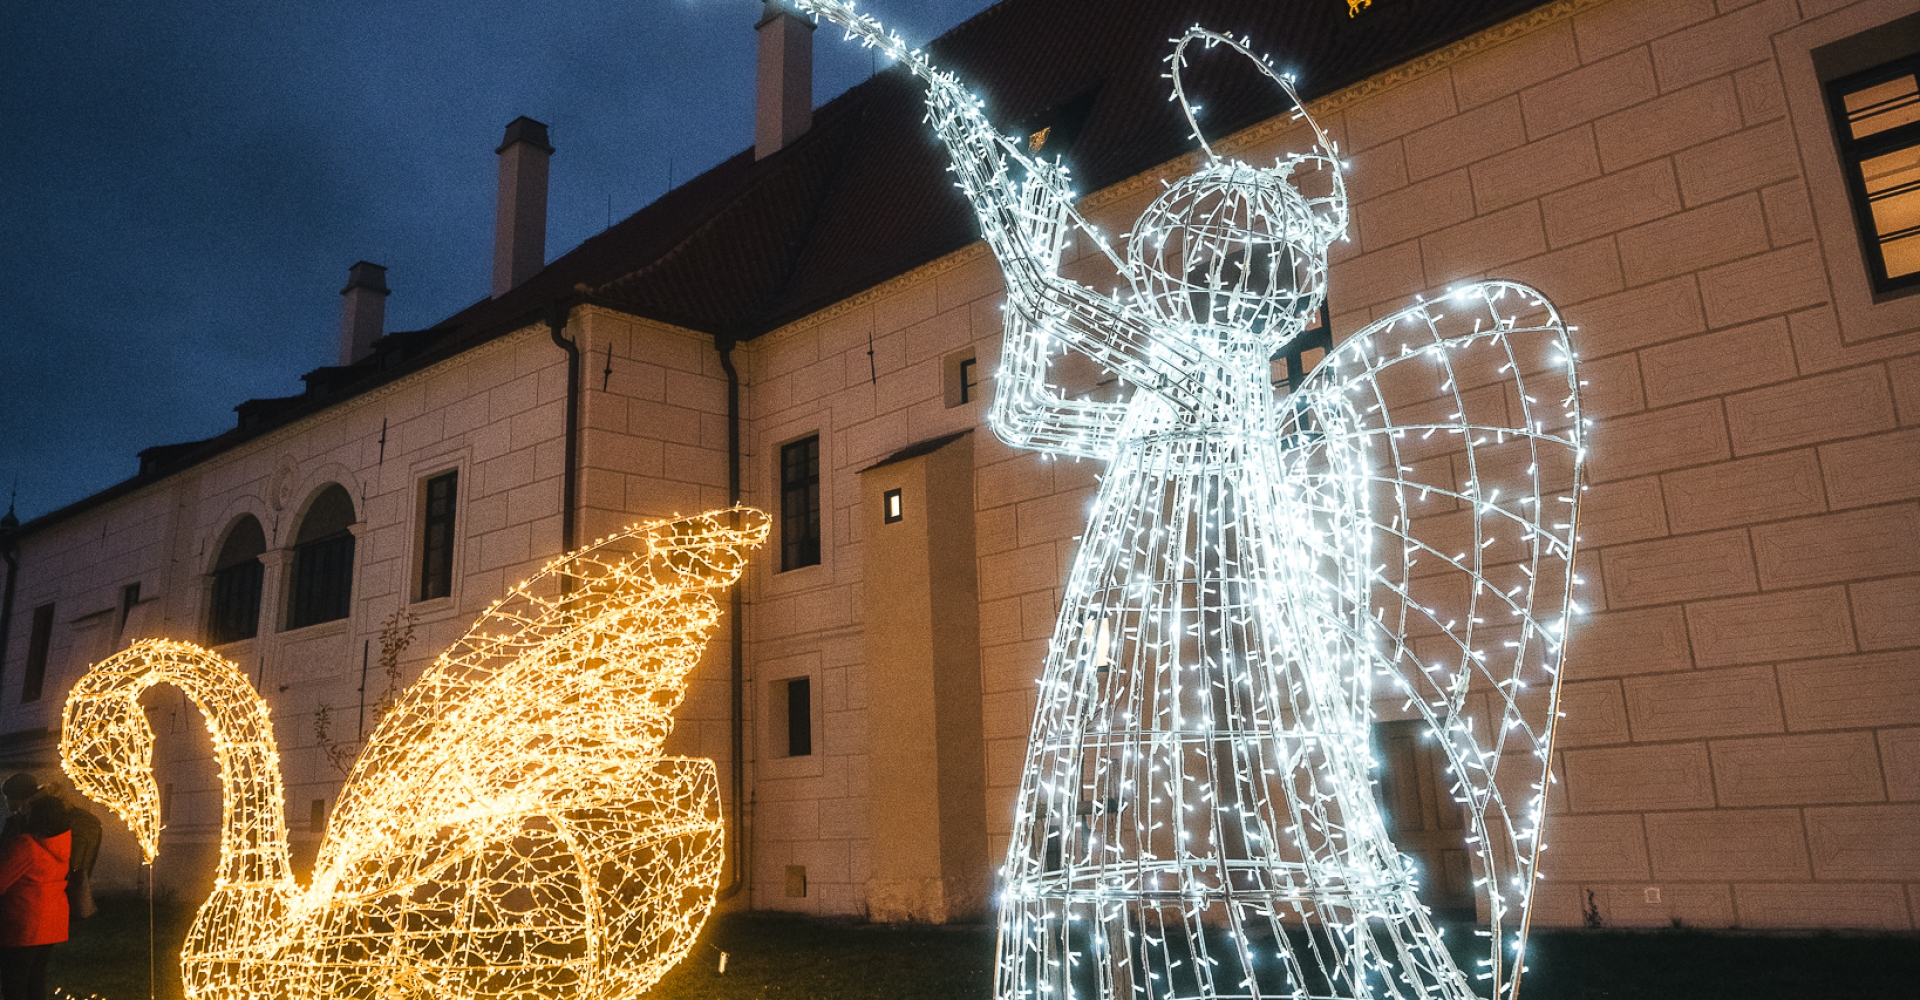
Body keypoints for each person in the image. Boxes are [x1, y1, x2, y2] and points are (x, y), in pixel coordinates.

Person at [0, 776, 99, 928]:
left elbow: (6, 872)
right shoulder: (59, 839)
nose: (5, 801)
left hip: (24, 918)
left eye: (7, 796)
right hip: (52, 916)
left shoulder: (27, 841)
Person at [0, 795, 69, 1000]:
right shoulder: (61, 842)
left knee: (15, 983)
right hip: (52, 922)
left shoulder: (27, 846)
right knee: (35, 980)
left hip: (24, 923)